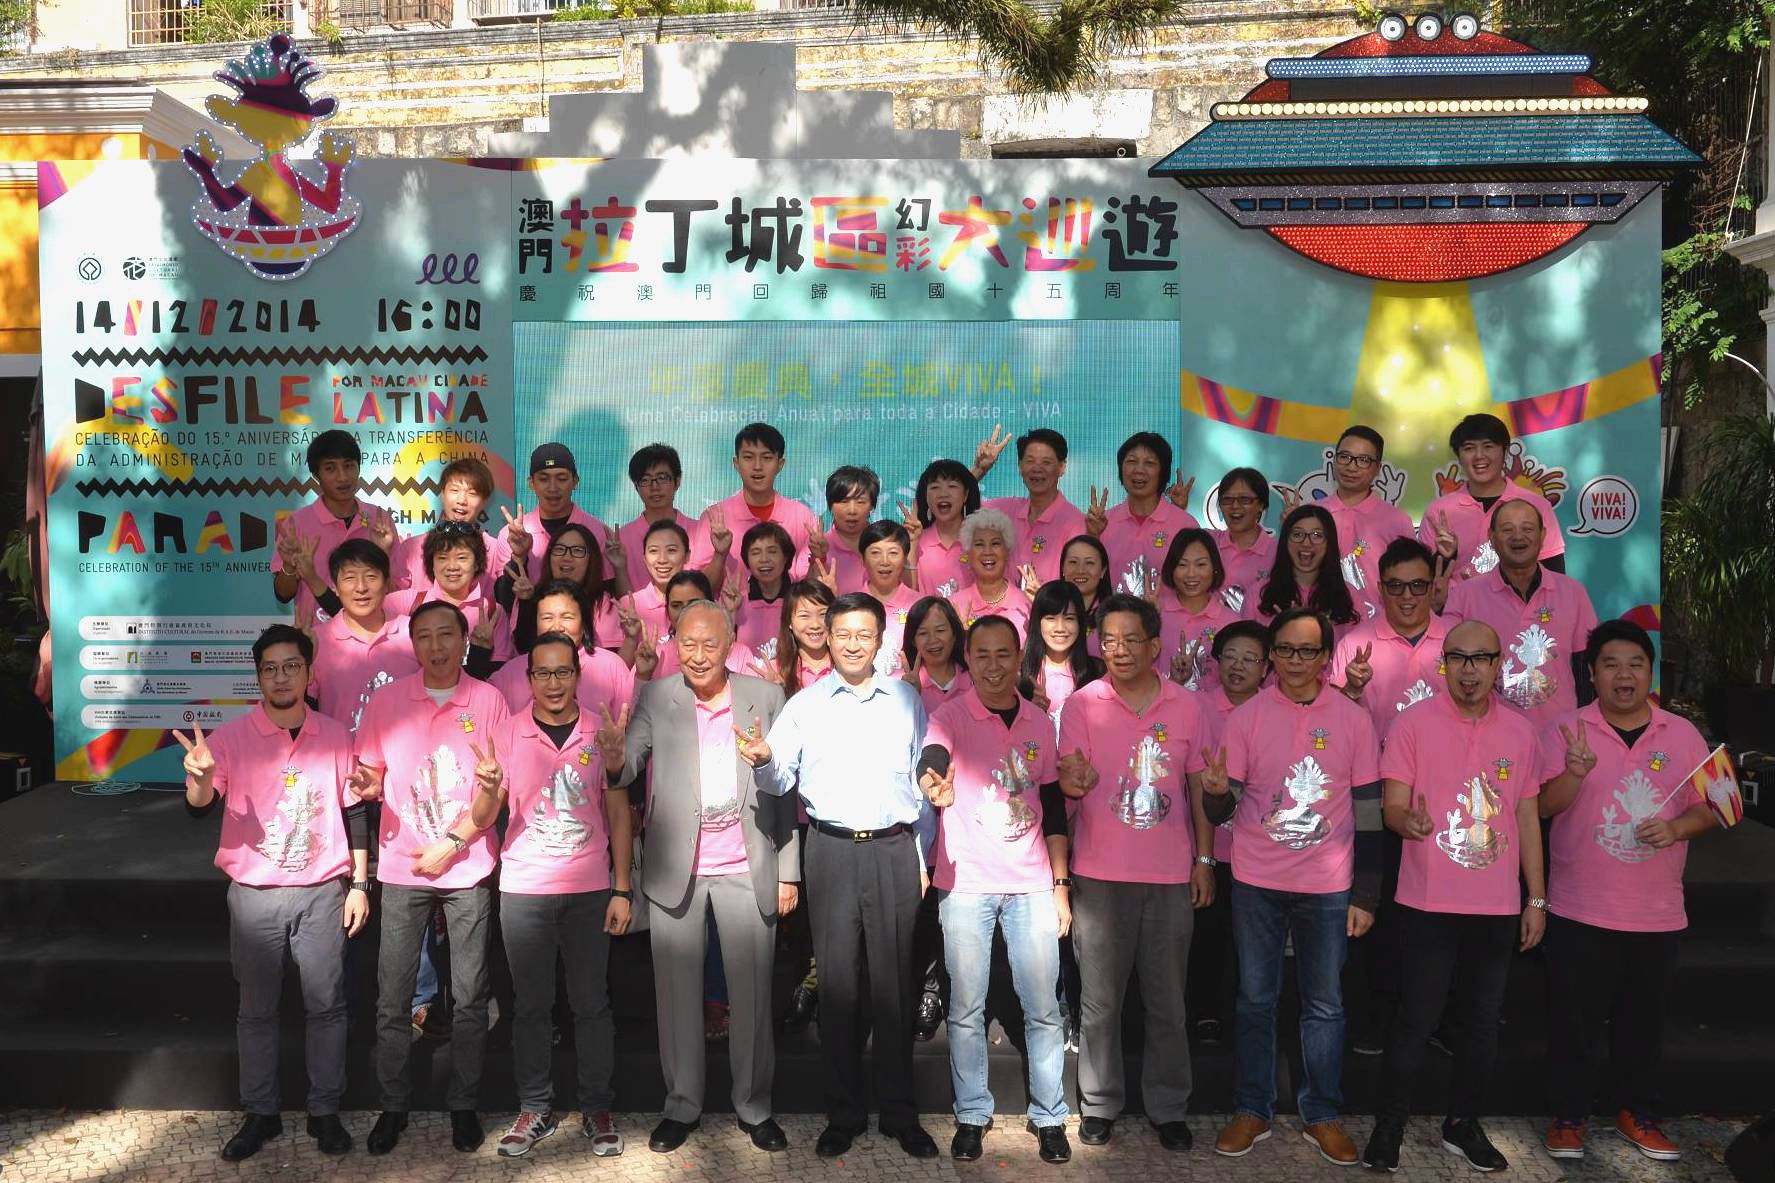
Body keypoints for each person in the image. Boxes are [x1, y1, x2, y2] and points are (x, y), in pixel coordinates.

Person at [739, 591, 939, 1160]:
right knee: (838, 986)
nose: (853, 644)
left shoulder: (906, 700)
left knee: (894, 986)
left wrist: (921, 857)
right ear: (826, 638)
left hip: (894, 850)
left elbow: (922, 784)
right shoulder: (805, 705)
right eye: (843, 634)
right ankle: (843, 1113)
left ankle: (899, 1113)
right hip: (829, 849)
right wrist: (763, 759)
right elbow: (779, 778)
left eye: (864, 634)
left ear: (880, 640)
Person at [598, 600, 799, 1153]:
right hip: (676, 869)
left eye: (711, 643)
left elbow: (785, 787)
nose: (699, 655)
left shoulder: (766, 697)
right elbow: (628, 765)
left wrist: (788, 871)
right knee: (676, 997)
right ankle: (681, 1106)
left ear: (731, 642)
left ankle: (754, 1107)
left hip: (746, 865)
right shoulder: (658, 696)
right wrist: (612, 760)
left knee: (751, 996)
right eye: (688, 643)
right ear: (674, 644)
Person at [178, 623, 369, 1162]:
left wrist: (360, 884)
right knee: (256, 1011)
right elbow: (198, 805)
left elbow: (355, 812)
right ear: (257, 677)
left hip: (322, 892)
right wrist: (201, 778)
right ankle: (260, 1113)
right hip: (255, 895)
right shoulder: (230, 739)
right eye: (270, 668)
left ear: (309, 674)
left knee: (327, 1006)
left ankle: (325, 1111)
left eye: (291, 666)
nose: (281, 677)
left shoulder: (336, 734)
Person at [1361, 620, 1547, 1173]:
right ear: (1444, 665)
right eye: (1459, 658)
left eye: (1481, 658)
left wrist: (1536, 899)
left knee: (1482, 1023)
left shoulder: (1521, 733)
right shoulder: (1413, 724)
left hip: (1496, 907)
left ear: (1498, 665)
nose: (1470, 670)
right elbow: (1393, 807)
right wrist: (1408, 822)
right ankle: (1390, 1125)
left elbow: (1527, 818)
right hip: (1427, 903)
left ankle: (1463, 1123)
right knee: (1415, 1019)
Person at [1537, 620, 1715, 1164]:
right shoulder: (1566, 730)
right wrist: (1573, 774)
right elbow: (1541, 806)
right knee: (1574, 1024)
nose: (1624, 675)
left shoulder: (1682, 735)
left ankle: (1637, 1113)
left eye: (1636, 664)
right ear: (1591, 674)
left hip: (1656, 912)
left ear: (1650, 673)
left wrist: (1678, 828)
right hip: (1579, 907)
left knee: (1643, 1025)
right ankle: (1568, 1117)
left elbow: (1713, 808)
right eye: (1611, 664)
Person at [1209, 608, 1381, 1165]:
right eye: (1285, 649)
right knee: (1255, 999)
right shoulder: (1247, 718)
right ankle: (1251, 1108)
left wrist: (1366, 895)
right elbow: (1223, 809)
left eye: (1308, 650)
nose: (1296, 660)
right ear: (1271, 658)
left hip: (1328, 886)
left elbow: (1369, 811)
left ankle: (1322, 1113)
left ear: (1326, 657)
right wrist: (1214, 792)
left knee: (1324, 1004)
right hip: (1256, 880)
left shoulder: (1353, 720)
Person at [1056, 592, 1220, 1153]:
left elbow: (1198, 788)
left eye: (1131, 640)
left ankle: (1168, 1107)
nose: (1119, 650)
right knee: (1100, 1003)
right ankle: (1099, 1103)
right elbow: (1070, 778)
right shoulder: (1081, 704)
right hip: (1099, 876)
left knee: (1167, 1001)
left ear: (1155, 645)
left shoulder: (1187, 706)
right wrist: (1074, 782)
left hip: (1170, 877)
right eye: (1109, 640)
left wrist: (1204, 860)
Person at [350, 599, 511, 1156]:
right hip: (403, 866)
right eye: (424, 636)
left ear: (465, 641)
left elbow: (496, 793)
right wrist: (367, 783)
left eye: (447, 635)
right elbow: (370, 773)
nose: (436, 646)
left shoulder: (488, 701)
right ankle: (393, 1105)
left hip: (467, 865)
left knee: (470, 995)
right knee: (393, 995)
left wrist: (453, 843)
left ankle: (464, 1104)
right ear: (412, 643)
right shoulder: (388, 701)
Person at [467, 633, 634, 1159]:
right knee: (531, 1007)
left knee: (591, 1005)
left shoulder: (600, 732)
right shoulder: (506, 733)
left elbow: (619, 814)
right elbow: (483, 819)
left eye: (563, 672)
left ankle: (596, 1107)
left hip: (589, 889)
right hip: (525, 890)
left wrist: (622, 888)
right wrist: (488, 787)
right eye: (543, 673)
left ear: (577, 677)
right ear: (529, 678)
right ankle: (534, 1106)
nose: (554, 683)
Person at [920, 615, 1074, 1164]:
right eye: (981, 655)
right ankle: (971, 1113)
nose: (993, 665)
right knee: (966, 1008)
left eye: (1003, 654)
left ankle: (1050, 1115)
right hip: (966, 884)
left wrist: (1060, 886)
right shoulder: (949, 715)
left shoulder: (1041, 722)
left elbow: (1052, 806)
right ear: (968, 658)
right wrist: (932, 784)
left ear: (1018, 658)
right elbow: (932, 760)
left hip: (1031, 884)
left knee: (1044, 1008)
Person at [1442, 499, 1597, 735]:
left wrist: (1585, 730)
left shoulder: (1573, 592)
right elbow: (1448, 670)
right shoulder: (1464, 596)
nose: (1518, 537)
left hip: (1561, 736)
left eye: (1527, 529)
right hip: (1489, 737)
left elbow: (1586, 671)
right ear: (1491, 537)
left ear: (1543, 535)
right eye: (1507, 529)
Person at [1185, 620, 1270, 1047]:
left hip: (1261, 849)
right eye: (1230, 657)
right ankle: (1205, 1012)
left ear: (1266, 667)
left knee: (1252, 942)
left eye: (1250, 659)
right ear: (1215, 662)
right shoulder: (1195, 707)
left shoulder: (1275, 711)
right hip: (1210, 845)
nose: (1238, 666)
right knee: (1209, 934)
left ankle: (1247, 1015)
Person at [1419, 413, 1565, 582]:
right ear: (1458, 456)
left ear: (1505, 451)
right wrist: (1445, 557)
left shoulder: (1536, 506)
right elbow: (1423, 581)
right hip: (1456, 600)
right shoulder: (1438, 511)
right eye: (1469, 448)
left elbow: (1555, 578)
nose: (1479, 456)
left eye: (1488, 446)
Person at [272, 429, 398, 621]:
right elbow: (283, 595)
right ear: (316, 475)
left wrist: (383, 556)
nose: (342, 477)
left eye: (348, 466)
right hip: (314, 635)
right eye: (330, 468)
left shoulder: (379, 519)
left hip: (371, 632)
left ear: (358, 468)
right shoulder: (296, 523)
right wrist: (289, 566)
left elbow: (395, 592)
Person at [1329, 538, 1450, 734]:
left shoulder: (1457, 640)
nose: (1407, 595)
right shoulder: (1353, 645)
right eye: (1395, 586)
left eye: (1418, 585)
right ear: (1381, 590)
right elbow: (1335, 724)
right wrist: (1352, 689)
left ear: (1432, 587)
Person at [306, 538, 417, 733]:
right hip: (340, 751)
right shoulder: (317, 641)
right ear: (335, 587)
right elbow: (303, 710)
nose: (361, 587)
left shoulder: (413, 634)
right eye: (349, 578)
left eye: (371, 576)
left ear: (386, 583)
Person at [489, 580, 636, 716]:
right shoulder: (511, 673)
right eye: (547, 618)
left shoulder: (611, 665)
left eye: (567, 617)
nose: (557, 627)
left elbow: (632, 718)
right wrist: (480, 652)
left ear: (584, 624)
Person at [974, 426, 1089, 584]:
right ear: (1020, 466)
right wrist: (979, 469)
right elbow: (958, 505)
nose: (1037, 468)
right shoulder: (1005, 511)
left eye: (1046, 462)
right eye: (1030, 461)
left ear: (1062, 467)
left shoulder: (1075, 523)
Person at [1321, 426, 1413, 621]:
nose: (1351, 466)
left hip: (1376, 626)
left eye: (1363, 460)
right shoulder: (1314, 514)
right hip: (1319, 624)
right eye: (1345, 457)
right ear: (1334, 460)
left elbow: (1408, 580)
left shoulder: (1397, 521)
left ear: (1377, 468)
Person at [387, 522, 512, 664]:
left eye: (462, 558)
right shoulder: (409, 602)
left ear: (477, 564)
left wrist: (481, 652)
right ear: (432, 564)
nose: (452, 566)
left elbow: (500, 670)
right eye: (442, 558)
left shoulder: (492, 612)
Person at [707, 422, 819, 579]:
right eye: (748, 457)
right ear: (736, 463)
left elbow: (811, 587)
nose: (757, 466)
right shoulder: (714, 518)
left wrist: (818, 557)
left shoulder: (803, 518)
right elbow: (699, 587)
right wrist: (720, 555)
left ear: (780, 464)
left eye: (766, 458)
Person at [1087, 431, 1199, 586]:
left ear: (1163, 472)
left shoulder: (1185, 524)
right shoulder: (1102, 523)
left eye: (1149, 463)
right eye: (1131, 461)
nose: (1139, 470)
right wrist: (1093, 535)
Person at [500, 443, 609, 586]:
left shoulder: (597, 531)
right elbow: (502, 596)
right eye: (544, 479)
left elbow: (604, 591)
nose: (553, 488)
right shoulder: (511, 535)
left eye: (561, 479)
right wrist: (520, 557)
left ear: (575, 481)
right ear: (531, 483)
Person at [507, 522, 622, 654]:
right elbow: (522, 649)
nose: (567, 557)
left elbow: (606, 659)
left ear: (591, 558)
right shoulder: (530, 595)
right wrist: (527, 603)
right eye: (559, 549)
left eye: (577, 550)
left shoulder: (602, 602)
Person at [616, 443, 716, 595]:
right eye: (645, 480)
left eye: (662, 478)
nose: (654, 487)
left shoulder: (700, 532)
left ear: (678, 481)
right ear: (636, 487)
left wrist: (720, 555)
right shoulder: (621, 539)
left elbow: (710, 590)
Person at [394, 456, 502, 592]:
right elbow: (392, 598)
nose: (462, 500)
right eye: (455, 490)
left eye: (472, 493)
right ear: (442, 494)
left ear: (484, 502)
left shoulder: (495, 550)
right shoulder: (411, 549)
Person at [1253, 504, 1360, 641]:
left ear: (1329, 543)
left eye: (1317, 535)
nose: (1306, 543)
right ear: (1285, 541)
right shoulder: (1259, 595)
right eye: (1297, 534)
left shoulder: (1350, 597)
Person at [1158, 527, 1241, 690]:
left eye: (1200, 564)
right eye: (1182, 564)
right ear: (1171, 569)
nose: (1191, 574)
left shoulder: (1232, 622)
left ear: (1214, 568)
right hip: (1163, 705)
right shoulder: (1155, 613)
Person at [1021, 579, 1104, 732]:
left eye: (1069, 618)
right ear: (1037, 622)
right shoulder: (1020, 675)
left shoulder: (1098, 673)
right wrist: (1030, 712)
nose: (1060, 628)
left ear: (1080, 623)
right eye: (1050, 618)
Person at [947, 508, 1032, 637]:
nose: (987, 551)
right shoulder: (954, 606)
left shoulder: (1026, 604)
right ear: (968, 554)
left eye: (995, 543)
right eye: (979, 544)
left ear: (1007, 552)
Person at [908, 458, 983, 597]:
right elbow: (907, 594)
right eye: (935, 487)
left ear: (965, 495)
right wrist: (912, 544)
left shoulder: (980, 540)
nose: (943, 494)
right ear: (926, 496)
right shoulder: (916, 540)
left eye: (952, 486)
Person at [1210, 468, 1278, 615]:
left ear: (1261, 505)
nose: (1235, 506)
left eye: (1245, 500)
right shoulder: (1208, 544)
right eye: (1227, 500)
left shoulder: (1277, 553)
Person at [858, 519, 920, 676]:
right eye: (875, 553)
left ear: (905, 558)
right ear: (862, 559)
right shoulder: (851, 607)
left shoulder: (920, 606)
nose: (884, 561)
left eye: (893, 553)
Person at [733, 522, 796, 656]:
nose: (764, 559)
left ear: (786, 557)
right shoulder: (736, 602)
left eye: (772, 551)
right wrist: (730, 612)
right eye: (756, 553)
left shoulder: (799, 601)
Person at [903, 595, 973, 712]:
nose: (933, 640)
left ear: (954, 634)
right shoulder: (904, 684)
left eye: (940, 630)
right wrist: (910, 695)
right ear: (913, 641)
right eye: (923, 633)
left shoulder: (974, 678)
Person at [822, 465, 880, 593]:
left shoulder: (884, 546)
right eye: (844, 501)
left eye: (860, 502)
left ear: (872, 505)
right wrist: (818, 557)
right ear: (830, 505)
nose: (852, 511)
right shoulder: (818, 549)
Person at [772, 579, 836, 695]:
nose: (815, 625)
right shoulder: (775, 669)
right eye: (804, 616)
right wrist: (776, 694)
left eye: (823, 614)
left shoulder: (848, 664)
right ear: (789, 622)